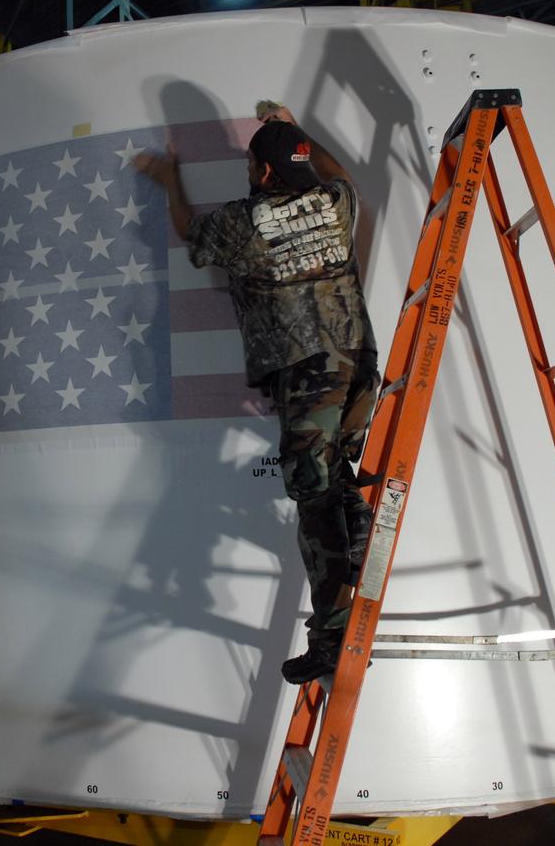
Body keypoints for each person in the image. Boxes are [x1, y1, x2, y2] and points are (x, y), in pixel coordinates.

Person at [136, 105, 379, 684]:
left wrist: (171, 182)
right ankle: (360, 538)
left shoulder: (245, 222)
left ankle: (330, 637)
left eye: (250, 162)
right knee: (335, 479)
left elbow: (190, 234)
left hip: (306, 372)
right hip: (359, 366)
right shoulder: (335, 204)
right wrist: (298, 131)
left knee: (314, 499)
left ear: (264, 173)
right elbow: (340, 172)